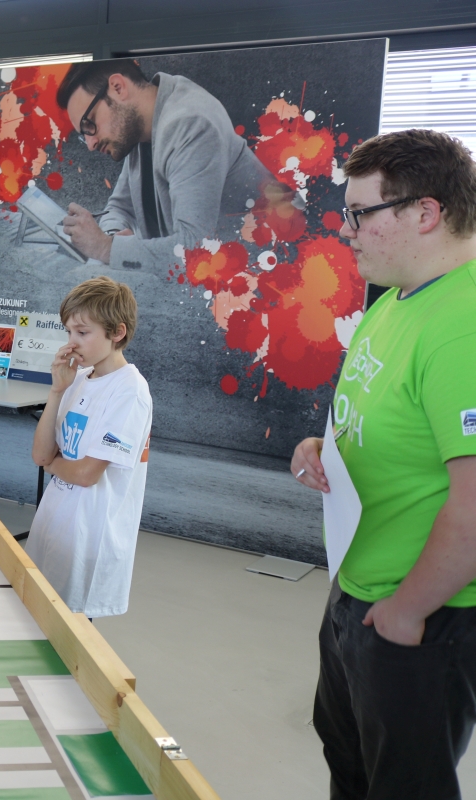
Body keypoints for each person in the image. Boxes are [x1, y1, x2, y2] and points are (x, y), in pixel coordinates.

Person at [290, 129, 476, 799]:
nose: (348, 232)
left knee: (404, 785)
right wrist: (323, 447)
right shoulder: (395, 299)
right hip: (358, 586)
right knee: (350, 765)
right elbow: (379, 415)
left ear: (425, 212)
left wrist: (406, 610)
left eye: (361, 214)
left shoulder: (464, 325)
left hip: (421, 612)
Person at [56, 59, 279, 272]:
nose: (91, 144)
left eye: (89, 123)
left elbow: (194, 250)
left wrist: (106, 248)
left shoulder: (191, 123)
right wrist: (112, 235)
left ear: (118, 87)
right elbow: (120, 207)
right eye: (83, 135)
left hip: (271, 273)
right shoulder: (141, 126)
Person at [25, 276, 152, 618]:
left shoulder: (130, 391)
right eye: (69, 332)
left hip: (88, 537)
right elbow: (40, 454)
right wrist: (57, 391)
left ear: (117, 332)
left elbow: (85, 474)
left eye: (83, 332)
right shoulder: (78, 379)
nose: (72, 342)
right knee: (34, 618)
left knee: (65, 632)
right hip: (55, 524)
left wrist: (52, 464)